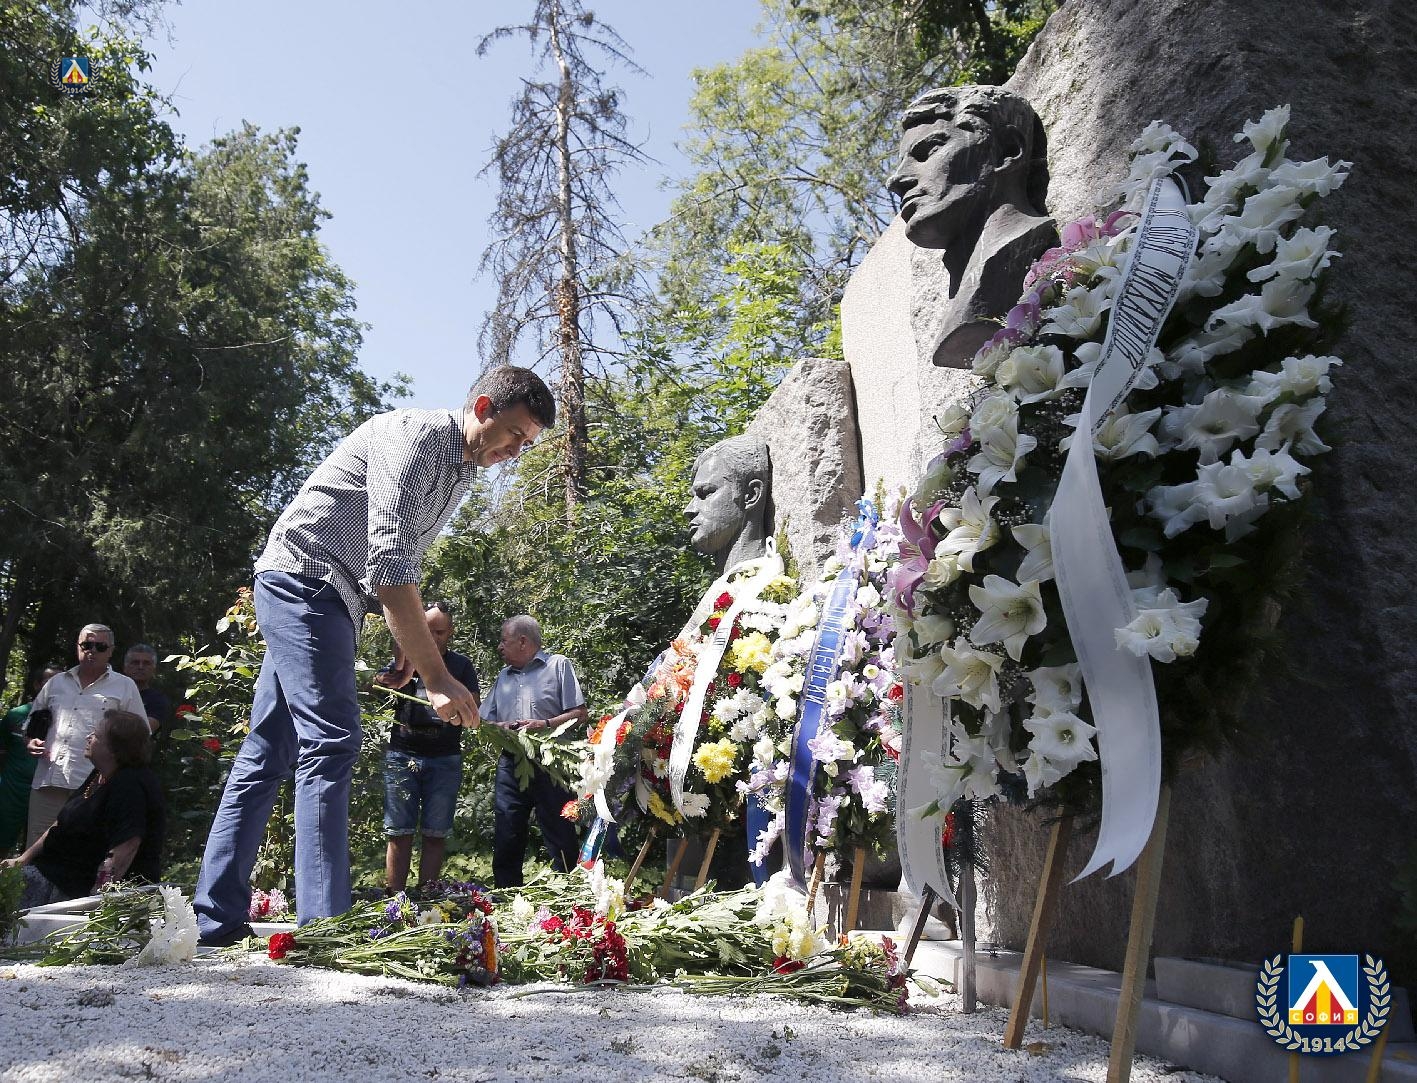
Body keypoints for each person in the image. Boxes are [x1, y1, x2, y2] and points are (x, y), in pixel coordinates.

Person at [193, 366, 555, 945]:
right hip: (305, 580)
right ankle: (324, 929)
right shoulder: (415, 440)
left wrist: (407, 649)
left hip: (331, 595)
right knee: (332, 741)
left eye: (526, 444)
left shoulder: (461, 468)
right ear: (483, 406)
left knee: (268, 750)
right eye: (514, 434)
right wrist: (436, 675)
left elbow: (398, 563)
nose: (515, 451)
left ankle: (214, 917)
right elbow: (387, 562)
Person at [885, 85, 1055, 366]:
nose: (896, 180)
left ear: (1007, 151)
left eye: (929, 150)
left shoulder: (1029, 250)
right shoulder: (964, 287)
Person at [3, 709, 166, 908]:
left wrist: (97, 901)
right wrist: (22, 859)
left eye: (96, 735)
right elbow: (62, 823)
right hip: (49, 873)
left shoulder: (130, 785)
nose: (88, 737)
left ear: (114, 749)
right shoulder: (100, 774)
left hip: (73, 890)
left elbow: (127, 846)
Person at [374, 602, 480, 895]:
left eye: (439, 632)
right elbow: (377, 686)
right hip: (402, 753)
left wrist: (450, 693)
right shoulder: (404, 660)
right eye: (427, 630)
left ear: (450, 632)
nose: (433, 637)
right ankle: (394, 899)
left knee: (436, 832)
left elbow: (473, 704)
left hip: (445, 756)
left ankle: (427, 896)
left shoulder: (461, 665)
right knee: (398, 831)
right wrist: (387, 676)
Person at [481, 616, 588, 887]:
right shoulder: (503, 677)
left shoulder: (558, 665)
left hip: (551, 761)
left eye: (504, 641)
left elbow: (580, 713)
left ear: (523, 641)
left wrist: (546, 724)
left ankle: (568, 891)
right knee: (507, 829)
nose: (499, 647)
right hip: (511, 762)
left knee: (559, 830)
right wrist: (503, 727)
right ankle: (506, 894)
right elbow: (484, 721)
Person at [26, 624, 146, 847]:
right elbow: (32, 724)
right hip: (48, 782)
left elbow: (139, 735)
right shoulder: (56, 683)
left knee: (82, 850)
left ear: (111, 651)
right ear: (78, 647)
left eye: (100, 647)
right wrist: (31, 741)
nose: (92, 651)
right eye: (87, 645)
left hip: (95, 786)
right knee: (34, 849)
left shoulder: (124, 686)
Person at [683, 435, 772, 575]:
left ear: (751, 495)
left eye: (705, 493)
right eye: (693, 497)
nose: (688, 510)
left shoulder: (768, 580)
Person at [0, 665, 63, 855]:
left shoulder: (66, 720)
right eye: (49, 681)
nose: (55, 686)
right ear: (37, 685)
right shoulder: (16, 715)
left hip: (48, 791)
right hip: (12, 791)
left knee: (37, 848)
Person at [123, 644, 171, 738]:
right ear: (125, 667)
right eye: (135, 662)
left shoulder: (157, 700)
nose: (140, 667)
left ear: (154, 670)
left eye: (146, 663)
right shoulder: (113, 693)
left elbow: (144, 730)